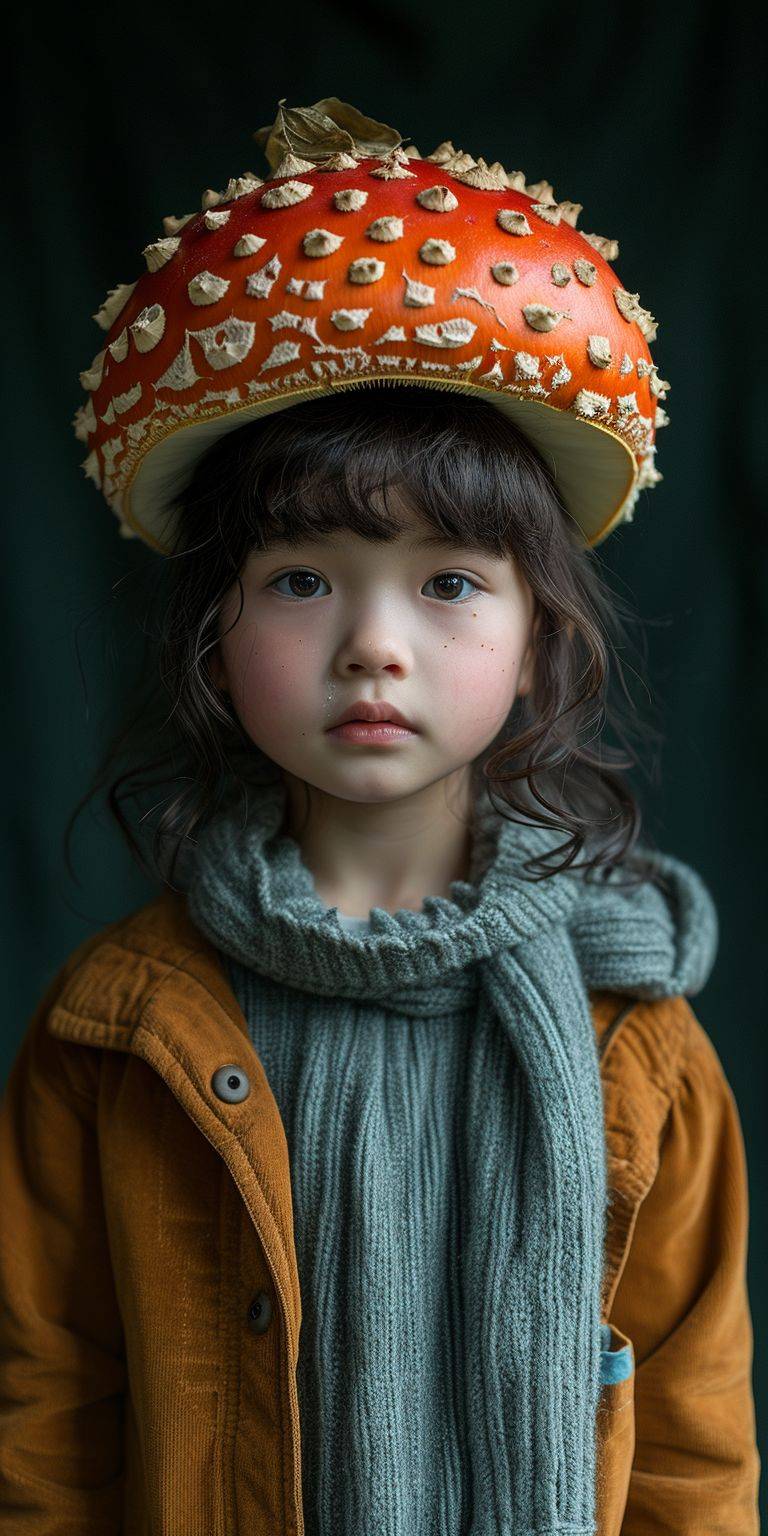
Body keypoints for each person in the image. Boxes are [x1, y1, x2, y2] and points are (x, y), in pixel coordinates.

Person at [0, 97, 760, 1534]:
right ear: (214, 635)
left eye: (450, 582)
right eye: (301, 578)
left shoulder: (639, 1037)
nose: (374, 643)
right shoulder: (115, 1031)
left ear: (541, 638)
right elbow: (50, 1426)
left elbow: (694, 1452)